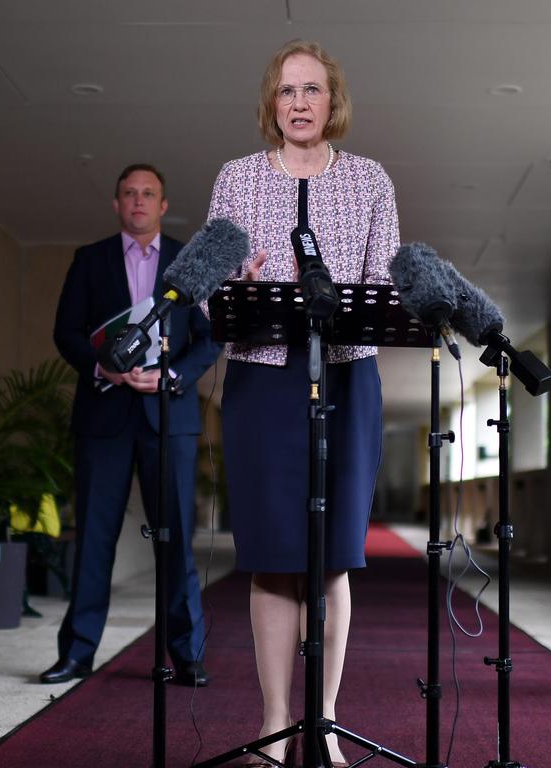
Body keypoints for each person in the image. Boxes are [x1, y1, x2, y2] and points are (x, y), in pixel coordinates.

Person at [206, 40, 398, 766]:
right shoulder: (237, 178)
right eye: (286, 91)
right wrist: (239, 281)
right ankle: (273, 723)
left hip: (346, 375)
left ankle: (323, 720)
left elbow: (381, 280)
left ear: (332, 100)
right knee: (271, 556)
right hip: (261, 376)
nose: (298, 103)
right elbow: (214, 281)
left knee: (334, 555)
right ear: (271, 102)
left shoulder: (372, 180)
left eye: (311, 89)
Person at [41, 163, 219, 688]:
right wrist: (103, 366)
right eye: (128, 193)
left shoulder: (191, 260)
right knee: (94, 538)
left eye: (149, 194)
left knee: (177, 540)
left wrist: (172, 375)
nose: (138, 201)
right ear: (116, 203)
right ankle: (77, 653)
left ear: (164, 205)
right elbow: (66, 331)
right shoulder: (89, 260)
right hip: (104, 414)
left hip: (170, 415)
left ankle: (187, 654)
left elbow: (210, 338)